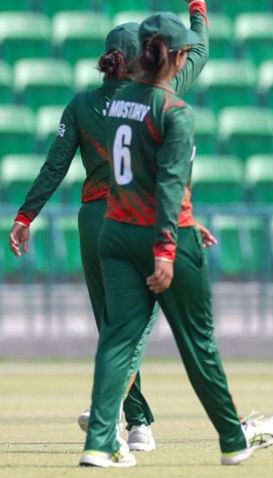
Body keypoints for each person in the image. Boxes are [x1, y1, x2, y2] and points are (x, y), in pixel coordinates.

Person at [7, 0, 221, 454]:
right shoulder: (160, 91)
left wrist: (26, 215)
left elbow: (55, 165)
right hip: (143, 216)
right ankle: (115, 410)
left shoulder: (82, 104)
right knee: (136, 324)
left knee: (114, 323)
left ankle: (137, 421)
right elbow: (199, 50)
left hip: (95, 222)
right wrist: (198, 11)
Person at [80, 11, 273, 468]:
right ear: (172, 57)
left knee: (116, 340)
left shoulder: (116, 103)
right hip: (162, 236)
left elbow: (134, 175)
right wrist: (167, 247)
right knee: (197, 343)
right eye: (184, 52)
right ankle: (233, 439)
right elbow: (170, 183)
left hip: (116, 231)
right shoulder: (174, 110)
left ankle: (100, 443)